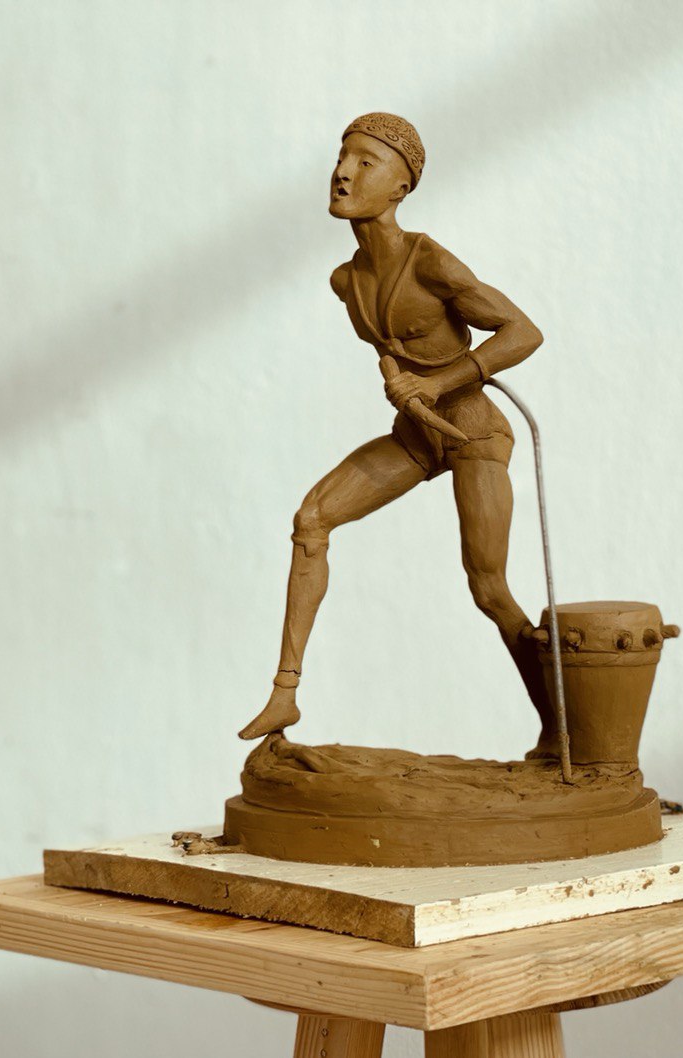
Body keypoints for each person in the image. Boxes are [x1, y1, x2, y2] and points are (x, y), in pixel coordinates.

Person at [238, 112, 556, 756]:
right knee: (312, 519)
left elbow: (523, 332)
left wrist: (438, 385)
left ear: (401, 187)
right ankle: (285, 690)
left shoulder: (429, 261)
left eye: (366, 162)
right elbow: (390, 345)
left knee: (488, 588)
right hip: (414, 438)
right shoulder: (347, 281)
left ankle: (562, 727)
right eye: (341, 157)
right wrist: (395, 374)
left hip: (470, 432)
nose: (342, 172)